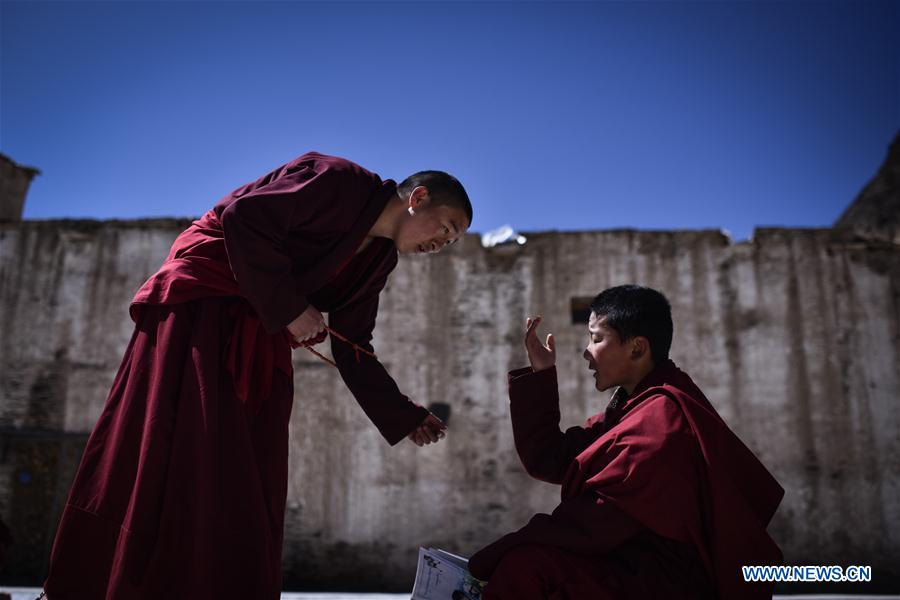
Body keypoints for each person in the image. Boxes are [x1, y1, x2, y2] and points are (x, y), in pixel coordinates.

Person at [41, 151, 472, 599]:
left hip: (261, 331)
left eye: (452, 240)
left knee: (250, 465)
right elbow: (243, 218)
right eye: (446, 228)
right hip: (201, 307)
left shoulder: (377, 261)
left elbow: (354, 345)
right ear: (417, 198)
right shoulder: (340, 181)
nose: (442, 243)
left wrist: (404, 415)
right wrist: (289, 308)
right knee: (182, 446)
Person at [468, 285, 784, 600]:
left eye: (596, 338)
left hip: (667, 585)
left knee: (527, 567)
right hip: (633, 569)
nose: (586, 352)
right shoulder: (632, 409)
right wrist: (542, 373)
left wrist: (488, 559)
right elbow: (550, 458)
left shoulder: (661, 423)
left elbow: (592, 522)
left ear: (636, 348)